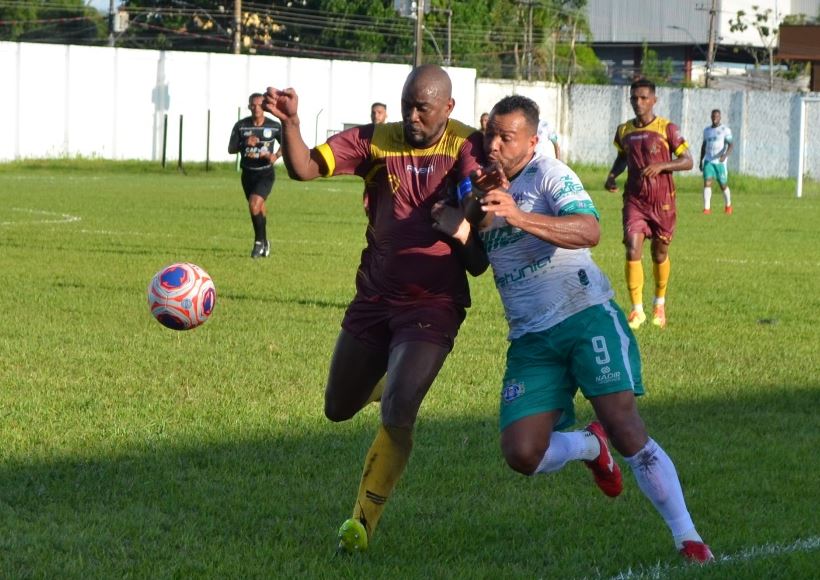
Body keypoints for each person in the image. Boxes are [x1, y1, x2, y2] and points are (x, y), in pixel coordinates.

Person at [432, 94, 714, 564]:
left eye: (506, 138)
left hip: (584, 316)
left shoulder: (549, 173)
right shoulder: (481, 189)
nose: (494, 145)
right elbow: (480, 262)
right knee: (522, 453)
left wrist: (519, 215)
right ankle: (588, 445)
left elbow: (589, 229)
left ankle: (688, 537)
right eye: (490, 135)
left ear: (532, 140)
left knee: (625, 427)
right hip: (530, 337)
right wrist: (460, 228)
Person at [262, 64, 488, 554]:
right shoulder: (377, 140)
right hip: (373, 298)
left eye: (422, 109)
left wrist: (465, 220)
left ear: (448, 108)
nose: (411, 117)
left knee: (399, 411)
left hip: (433, 303)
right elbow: (304, 168)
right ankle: (395, 382)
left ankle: (362, 523)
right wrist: (292, 124)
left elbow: (478, 241)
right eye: (407, 106)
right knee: (337, 408)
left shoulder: (466, 145)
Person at [604, 78, 693, 330]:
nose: (638, 102)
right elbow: (622, 157)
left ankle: (659, 304)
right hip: (634, 200)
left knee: (659, 253)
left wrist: (661, 165)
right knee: (632, 248)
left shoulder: (667, 128)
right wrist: (612, 175)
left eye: (643, 98)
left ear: (654, 100)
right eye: (634, 98)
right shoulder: (624, 130)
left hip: (663, 202)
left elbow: (688, 161)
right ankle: (637, 310)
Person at [228, 93, 282, 258]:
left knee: (254, 204)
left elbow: (286, 144)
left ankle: (258, 243)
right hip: (247, 174)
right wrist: (244, 143)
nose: (256, 108)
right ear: (249, 106)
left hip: (265, 173)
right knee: (258, 207)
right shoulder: (241, 126)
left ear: (264, 107)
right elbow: (231, 149)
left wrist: (275, 156)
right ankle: (265, 242)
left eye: (259, 105)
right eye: (253, 105)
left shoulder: (274, 126)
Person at [700, 109, 734, 215]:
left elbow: (731, 145)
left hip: (719, 162)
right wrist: (701, 160)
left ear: (720, 117)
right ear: (711, 117)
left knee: (723, 185)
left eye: (717, 116)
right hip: (708, 160)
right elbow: (703, 146)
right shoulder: (707, 130)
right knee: (707, 182)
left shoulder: (725, 130)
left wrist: (725, 155)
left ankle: (728, 205)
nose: (715, 118)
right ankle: (707, 209)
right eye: (713, 116)